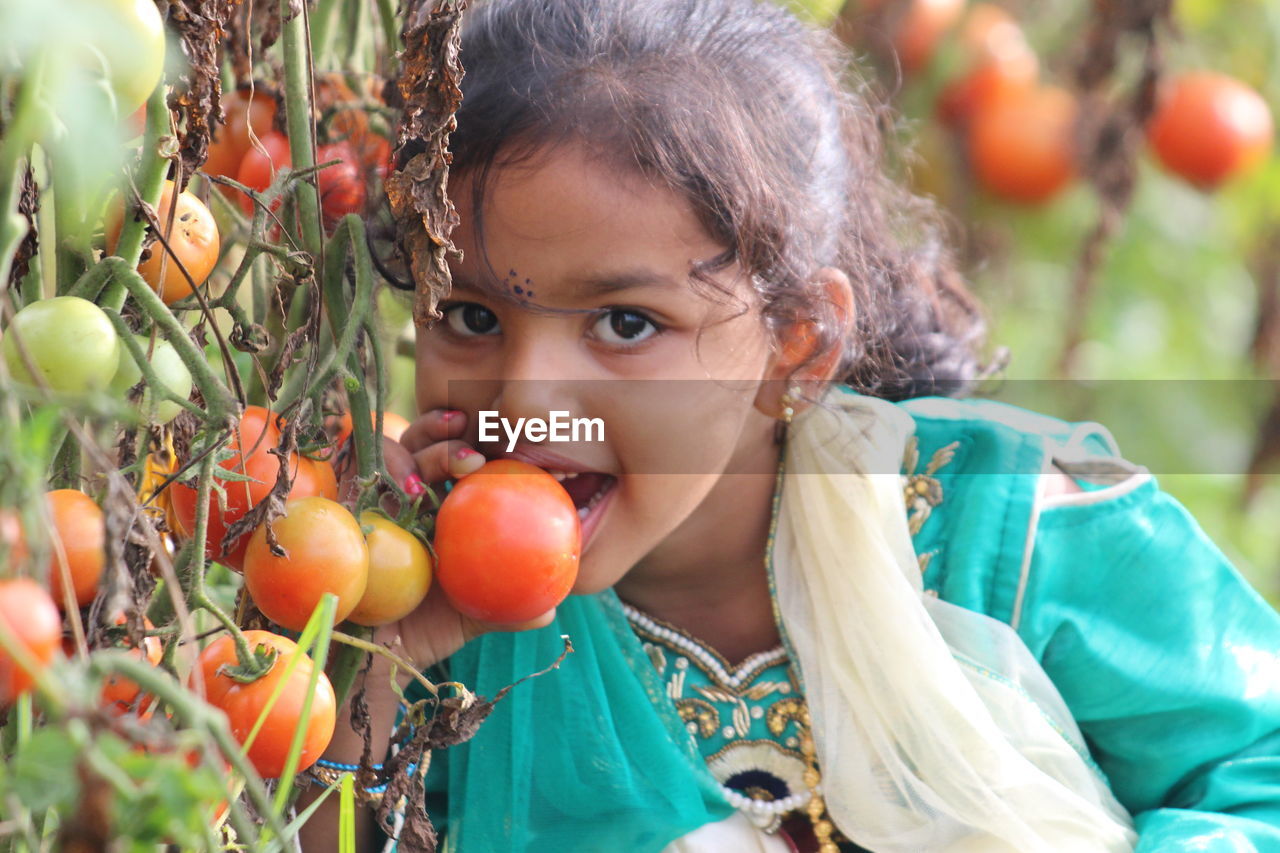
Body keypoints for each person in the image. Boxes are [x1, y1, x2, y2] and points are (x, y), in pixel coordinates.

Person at [301, 0, 1280, 850]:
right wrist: (376, 664)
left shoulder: (997, 528)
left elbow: (1257, 758)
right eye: (471, 317)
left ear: (798, 347)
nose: (523, 400)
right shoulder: (442, 624)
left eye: (626, 323)